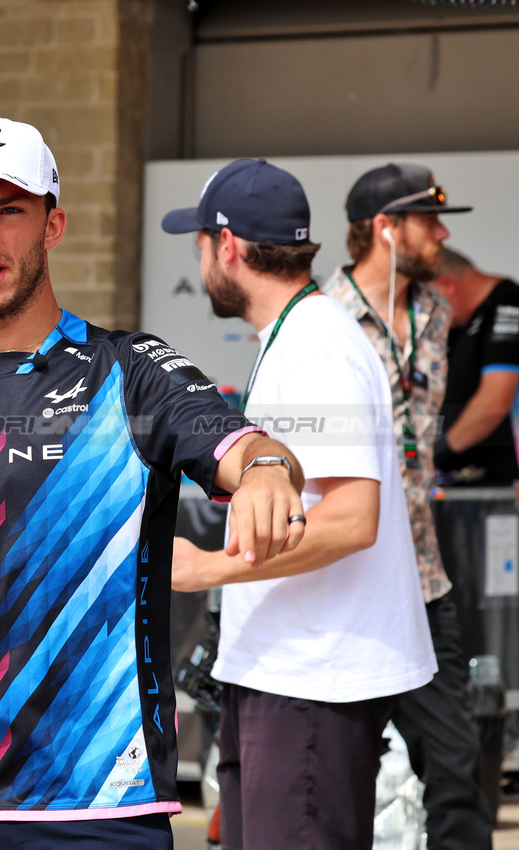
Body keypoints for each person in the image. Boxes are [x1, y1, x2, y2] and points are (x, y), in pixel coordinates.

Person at [0, 116, 307, 850]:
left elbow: (241, 448)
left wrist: (268, 470)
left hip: (99, 811)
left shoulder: (130, 369)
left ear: (52, 225)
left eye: (8, 211)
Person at [166, 158, 437, 850]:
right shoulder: (302, 336)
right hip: (288, 671)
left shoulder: (316, 345)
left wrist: (204, 569)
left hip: (312, 679)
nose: (199, 261)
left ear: (225, 245)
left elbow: (351, 519)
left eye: (198, 243)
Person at [320, 167, 493, 849]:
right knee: (339, 773)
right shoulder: (322, 316)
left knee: (454, 768)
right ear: (384, 229)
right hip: (344, 583)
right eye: (428, 221)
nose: (442, 234)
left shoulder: (435, 311)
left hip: (422, 581)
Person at [435, 245, 519, 485]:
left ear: (446, 285)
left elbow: (494, 404)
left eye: (427, 299)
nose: (426, 311)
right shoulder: (460, 323)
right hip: (471, 484)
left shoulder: (509, 305)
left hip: (507, 488)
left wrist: (437, 455)